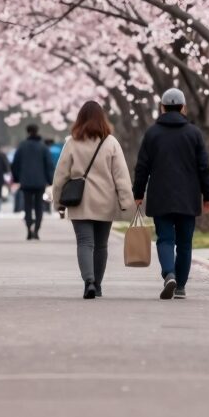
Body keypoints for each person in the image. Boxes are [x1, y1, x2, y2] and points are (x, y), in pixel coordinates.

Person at [133, 88, 209, 301]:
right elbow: (204, 167)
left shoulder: (152, 133)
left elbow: (142, 166)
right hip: (188, 197)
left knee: (165, 239)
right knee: (185, 243)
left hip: (161, 195)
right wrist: (208, 195)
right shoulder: (194, 133)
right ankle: (180, 287)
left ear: (162, 107)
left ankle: (169, 274)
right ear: (183, 107)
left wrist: (138, 193)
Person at [52, 101, 133, 299]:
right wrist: (126, 202)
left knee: (84, 243)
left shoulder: (72, 142)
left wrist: (58, 202)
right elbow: (121, 176)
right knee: (101, 245)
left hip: (79, 201)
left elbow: (60, 175)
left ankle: (88, 280)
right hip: (105, 201)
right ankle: (97, 284)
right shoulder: (111, 143)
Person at [12, 123, 54, 240]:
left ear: (27, 132)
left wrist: (16, 178)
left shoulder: (22, 146)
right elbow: (49, 165)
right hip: (40, 181)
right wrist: (50, 180)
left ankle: (28, 228)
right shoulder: (43, 147)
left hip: (25, 181)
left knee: (27, 205)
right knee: (39, 206)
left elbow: (15, 164)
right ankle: (36, 229)